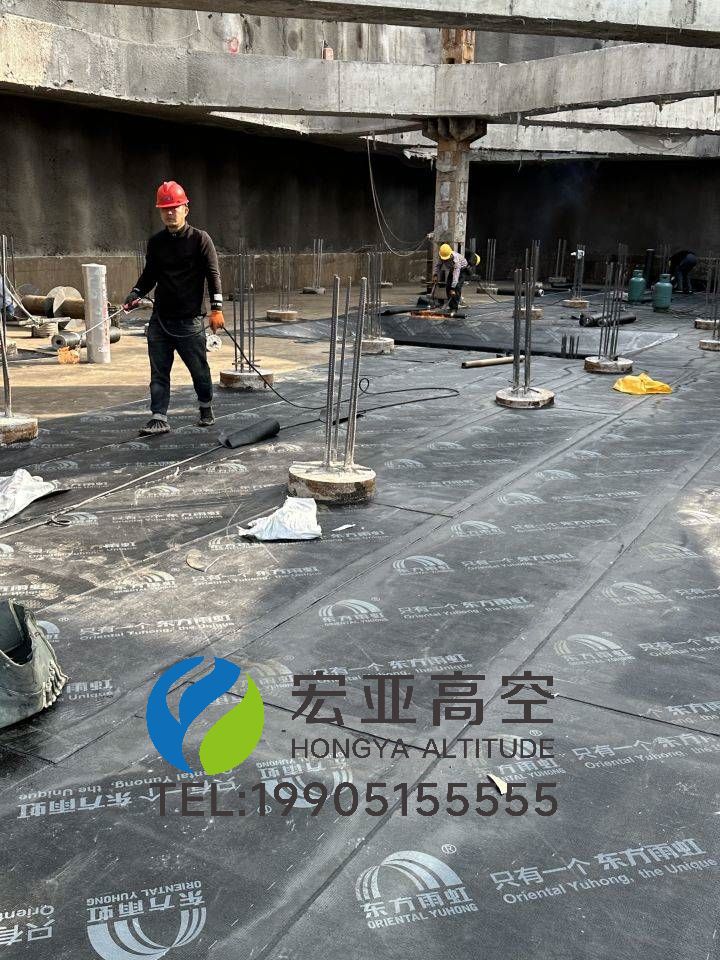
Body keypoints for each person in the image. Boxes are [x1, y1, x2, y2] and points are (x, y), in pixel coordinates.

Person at [123, 181, 225, 436]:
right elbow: (150, 275)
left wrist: (217, 309)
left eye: (174, 207)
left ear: (185, 209)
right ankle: (159, 417)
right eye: (165, 209)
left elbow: (213, 275)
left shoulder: (200, 239)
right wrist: (136, 292)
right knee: (159, 371)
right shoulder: (156, 242)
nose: (170, 212)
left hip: (189, 321)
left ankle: (205, 407)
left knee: (199, 370)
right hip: (161, 320)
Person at [433, 243, 468, 315]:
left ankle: (455, 308)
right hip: (452, 270)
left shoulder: (456, 261)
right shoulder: (442, 256)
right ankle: (451, 306)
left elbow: (456, 276)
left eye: (446, 259)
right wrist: (435, 275)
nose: (445, 260)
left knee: (456, 288)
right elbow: (438, 266)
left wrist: (453, 288)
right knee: (448, 287)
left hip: (461, 270)